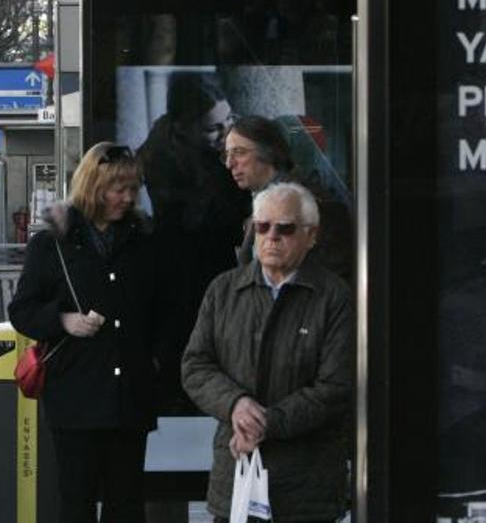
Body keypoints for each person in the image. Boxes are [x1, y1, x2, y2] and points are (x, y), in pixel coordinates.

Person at [7, 142, 165, 522]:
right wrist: (63, 320)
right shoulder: (51, 243)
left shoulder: (145, 241)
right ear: (93, 187)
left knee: (127, 505)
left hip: (130, 397)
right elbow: (21, 310)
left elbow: (165, 309)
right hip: (75, 396)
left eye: (133, 188)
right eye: (117, 189)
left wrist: (157, 360)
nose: (127, 198)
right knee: (76, 503)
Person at [182, 182, 353, 523]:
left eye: (285, 228)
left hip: (306, 485)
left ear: (311, 235)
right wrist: (235, 403)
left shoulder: (334, 297)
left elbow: (335, 388)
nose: (271, 236)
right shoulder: (224, 290)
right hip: (237, 477)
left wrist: (264, 423)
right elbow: (196, 365)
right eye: (262, 226)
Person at [137, 73, 251, 412]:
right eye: (213, 128)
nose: (226, 133)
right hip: (184, 264)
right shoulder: (160, 155)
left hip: (210, 253)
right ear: (183, 127)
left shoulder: (207, 146)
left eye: (229, 120)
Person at [224, 115, 353, 283]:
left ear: (268, 153)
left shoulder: (311, 207)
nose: (229, 163)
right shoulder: (262, 205)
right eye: (226, 155)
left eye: (239, 153)